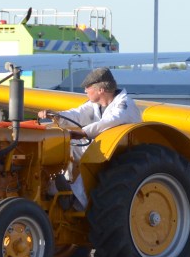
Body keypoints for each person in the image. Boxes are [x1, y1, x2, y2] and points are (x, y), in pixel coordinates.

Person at [37, 67, 141, 209]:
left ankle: (77, 199)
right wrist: (57, 116)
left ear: (101, 90)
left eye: (88, 87)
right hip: (103, 147)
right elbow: (77, 114)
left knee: (91, 157)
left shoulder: (124, 104)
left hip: (121, 153)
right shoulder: (95, 105)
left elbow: (111, 121)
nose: (85, 90)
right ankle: (59, 185)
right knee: (70, 145)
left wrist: (84, 132)